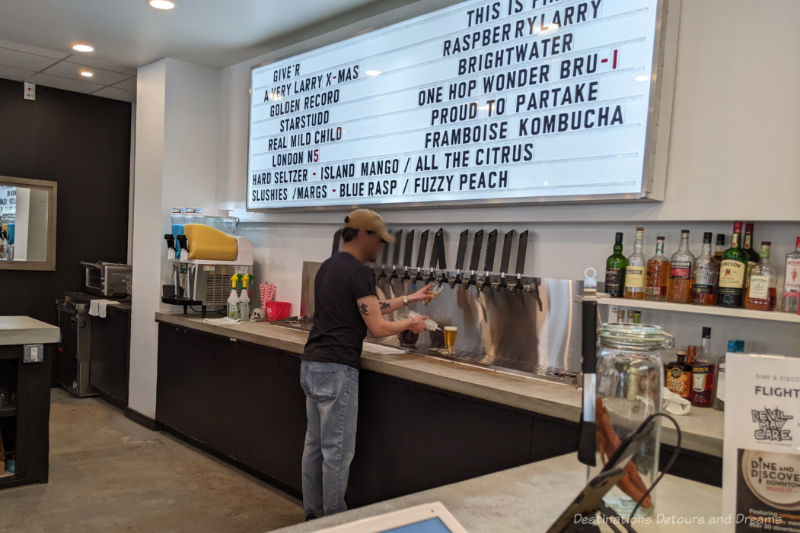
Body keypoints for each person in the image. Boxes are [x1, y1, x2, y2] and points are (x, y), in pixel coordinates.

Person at [300, 208, 433, 519]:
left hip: (312, 365)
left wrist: (409, 300)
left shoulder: (329, 267)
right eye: (379, 240)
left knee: (314, 447)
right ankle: (334, 521)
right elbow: (377, 327)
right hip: (337, 369)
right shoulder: (360, 272)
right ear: (364, 235)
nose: (381, 247)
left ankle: (312, 515)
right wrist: (410, 324)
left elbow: (368, 307)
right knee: (337, 453)